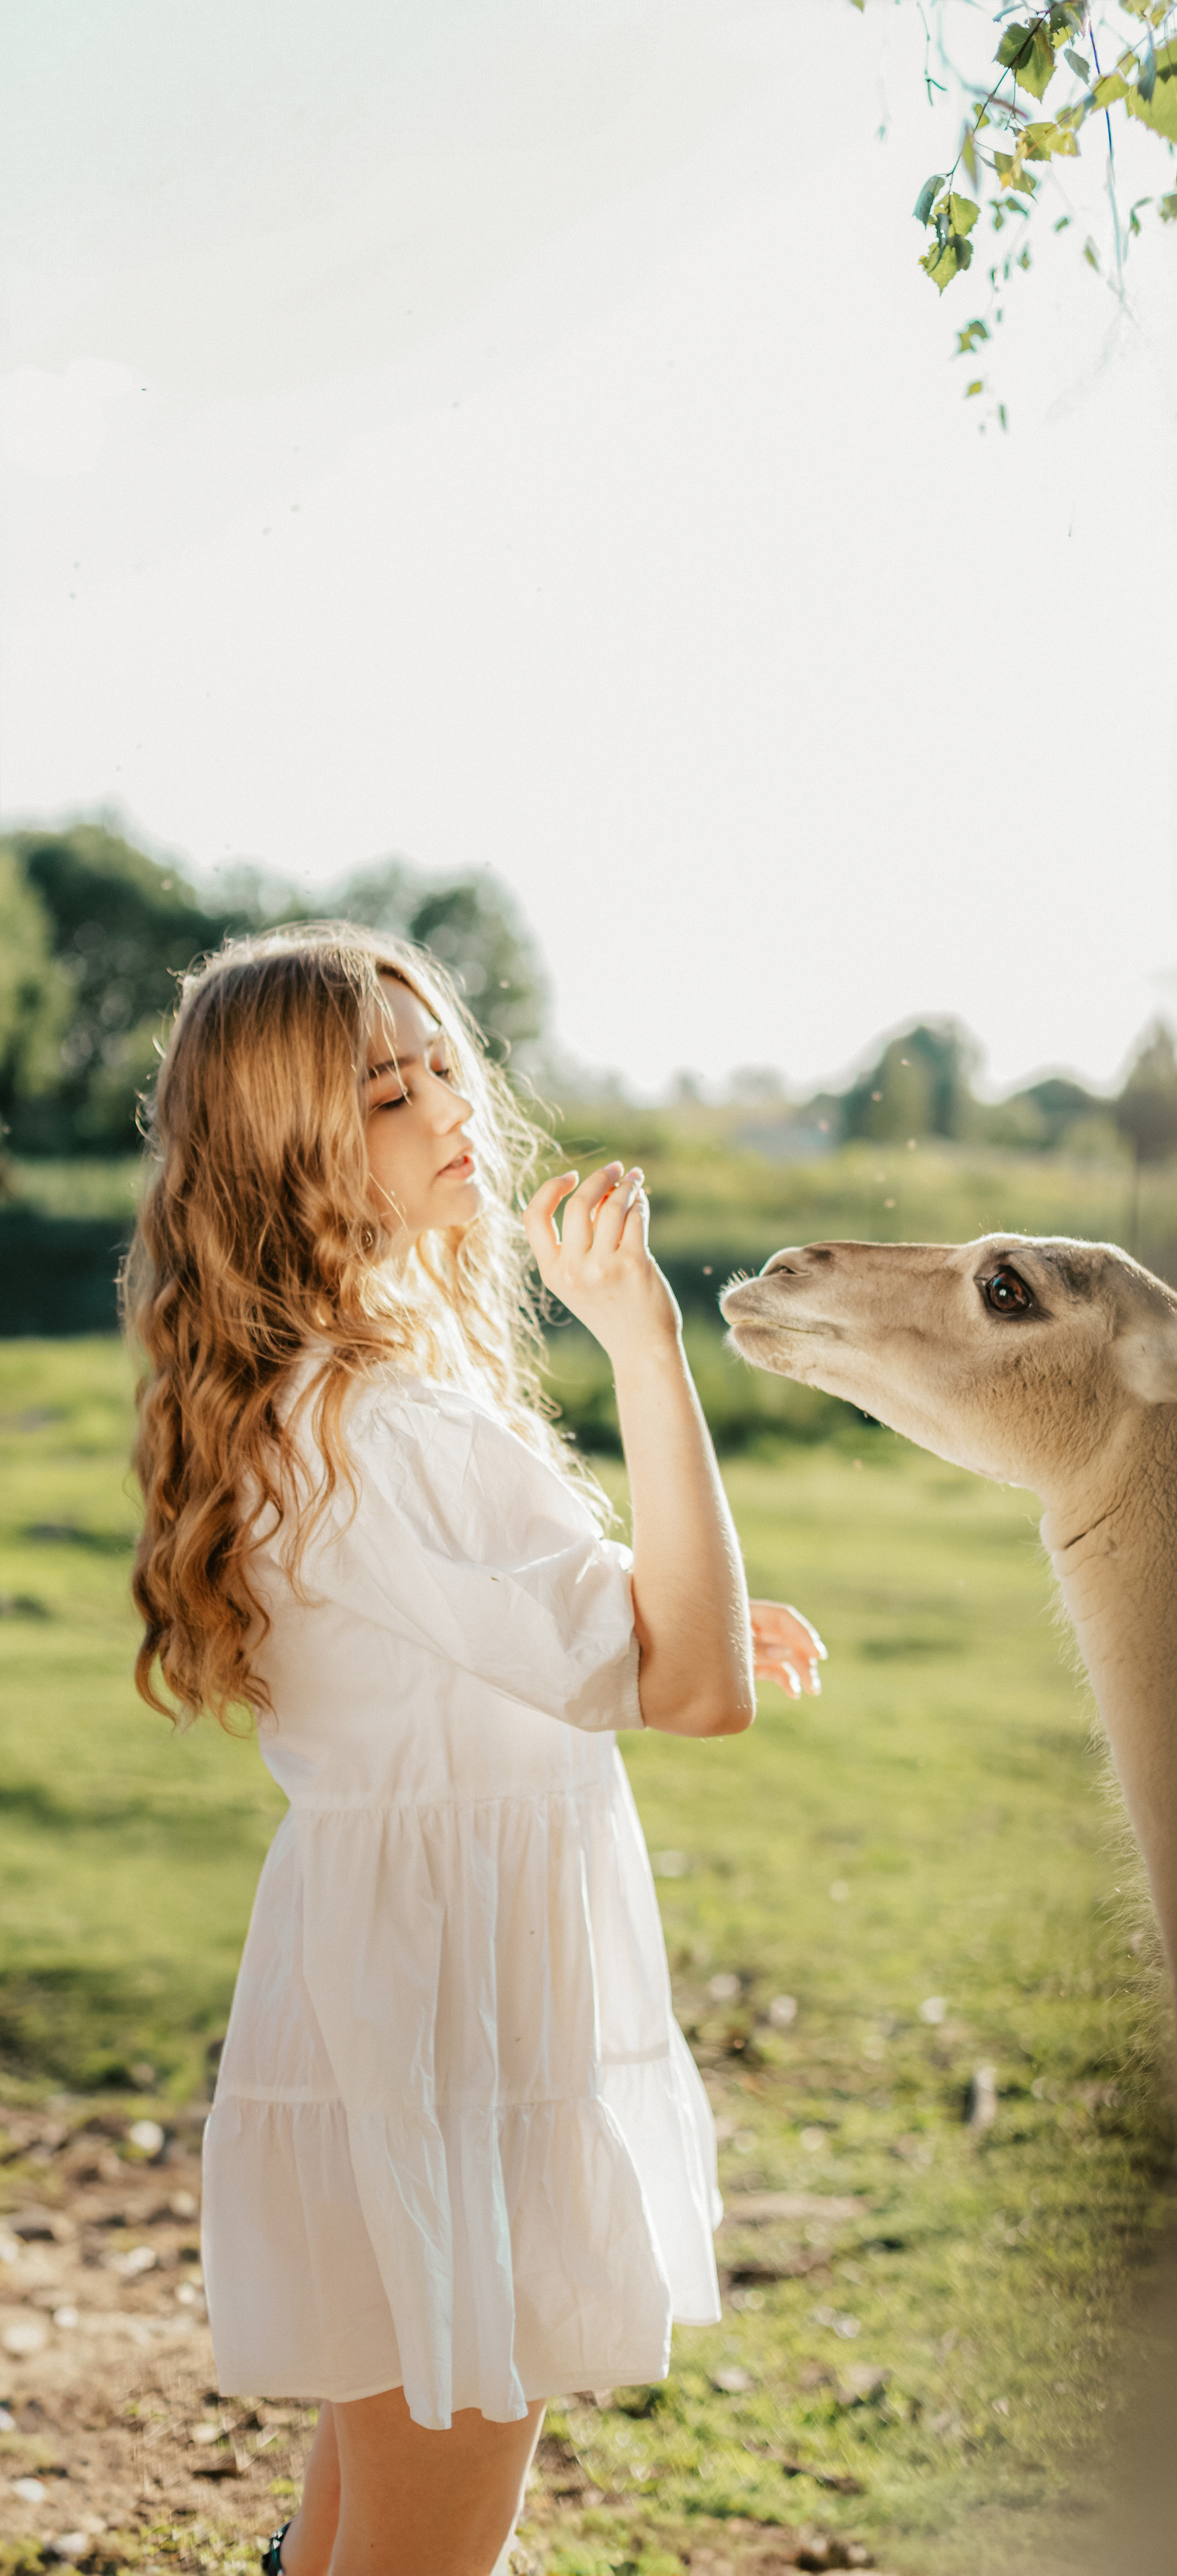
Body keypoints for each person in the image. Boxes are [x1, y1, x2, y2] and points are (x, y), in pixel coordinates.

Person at [125, 925, 825, 2576]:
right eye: (385, 1088)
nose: (448, 1102)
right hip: (460, 2010)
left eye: (443, 1060)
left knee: (366, 2518)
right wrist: (643, 1339)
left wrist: (699, 1612)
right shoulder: (395, 1424)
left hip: (393, 1981)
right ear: (292, 1154)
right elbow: (696, 1694)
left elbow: (588, 1640)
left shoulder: (325, 1396)